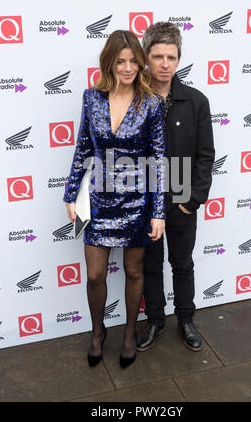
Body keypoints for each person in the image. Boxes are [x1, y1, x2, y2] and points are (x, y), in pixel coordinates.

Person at [63, 30, 166, 368]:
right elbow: (82, 148)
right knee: (95, 275)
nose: (128, 68)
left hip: (137, 201)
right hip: (94, 199)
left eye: (133, 61)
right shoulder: (91, 98)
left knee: (134, 271)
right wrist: (70, 194)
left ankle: (127, 334)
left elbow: (159, 159)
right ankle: (97, 332)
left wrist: (158, 212)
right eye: (120, 61)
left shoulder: (151, 103)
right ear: (109, 62)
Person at [137, 22, 215, 352]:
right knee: (150, 266)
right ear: (146, 58)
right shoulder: (134, 99)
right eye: (158, 56)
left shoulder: (196, 101)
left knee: (182, 264)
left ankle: (186, 320)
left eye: (171, 56)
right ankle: (155, 320)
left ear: (179, 58)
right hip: (146, 198)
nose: (165, 63)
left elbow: (205, 155)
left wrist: (191, 201)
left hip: (182, 191)